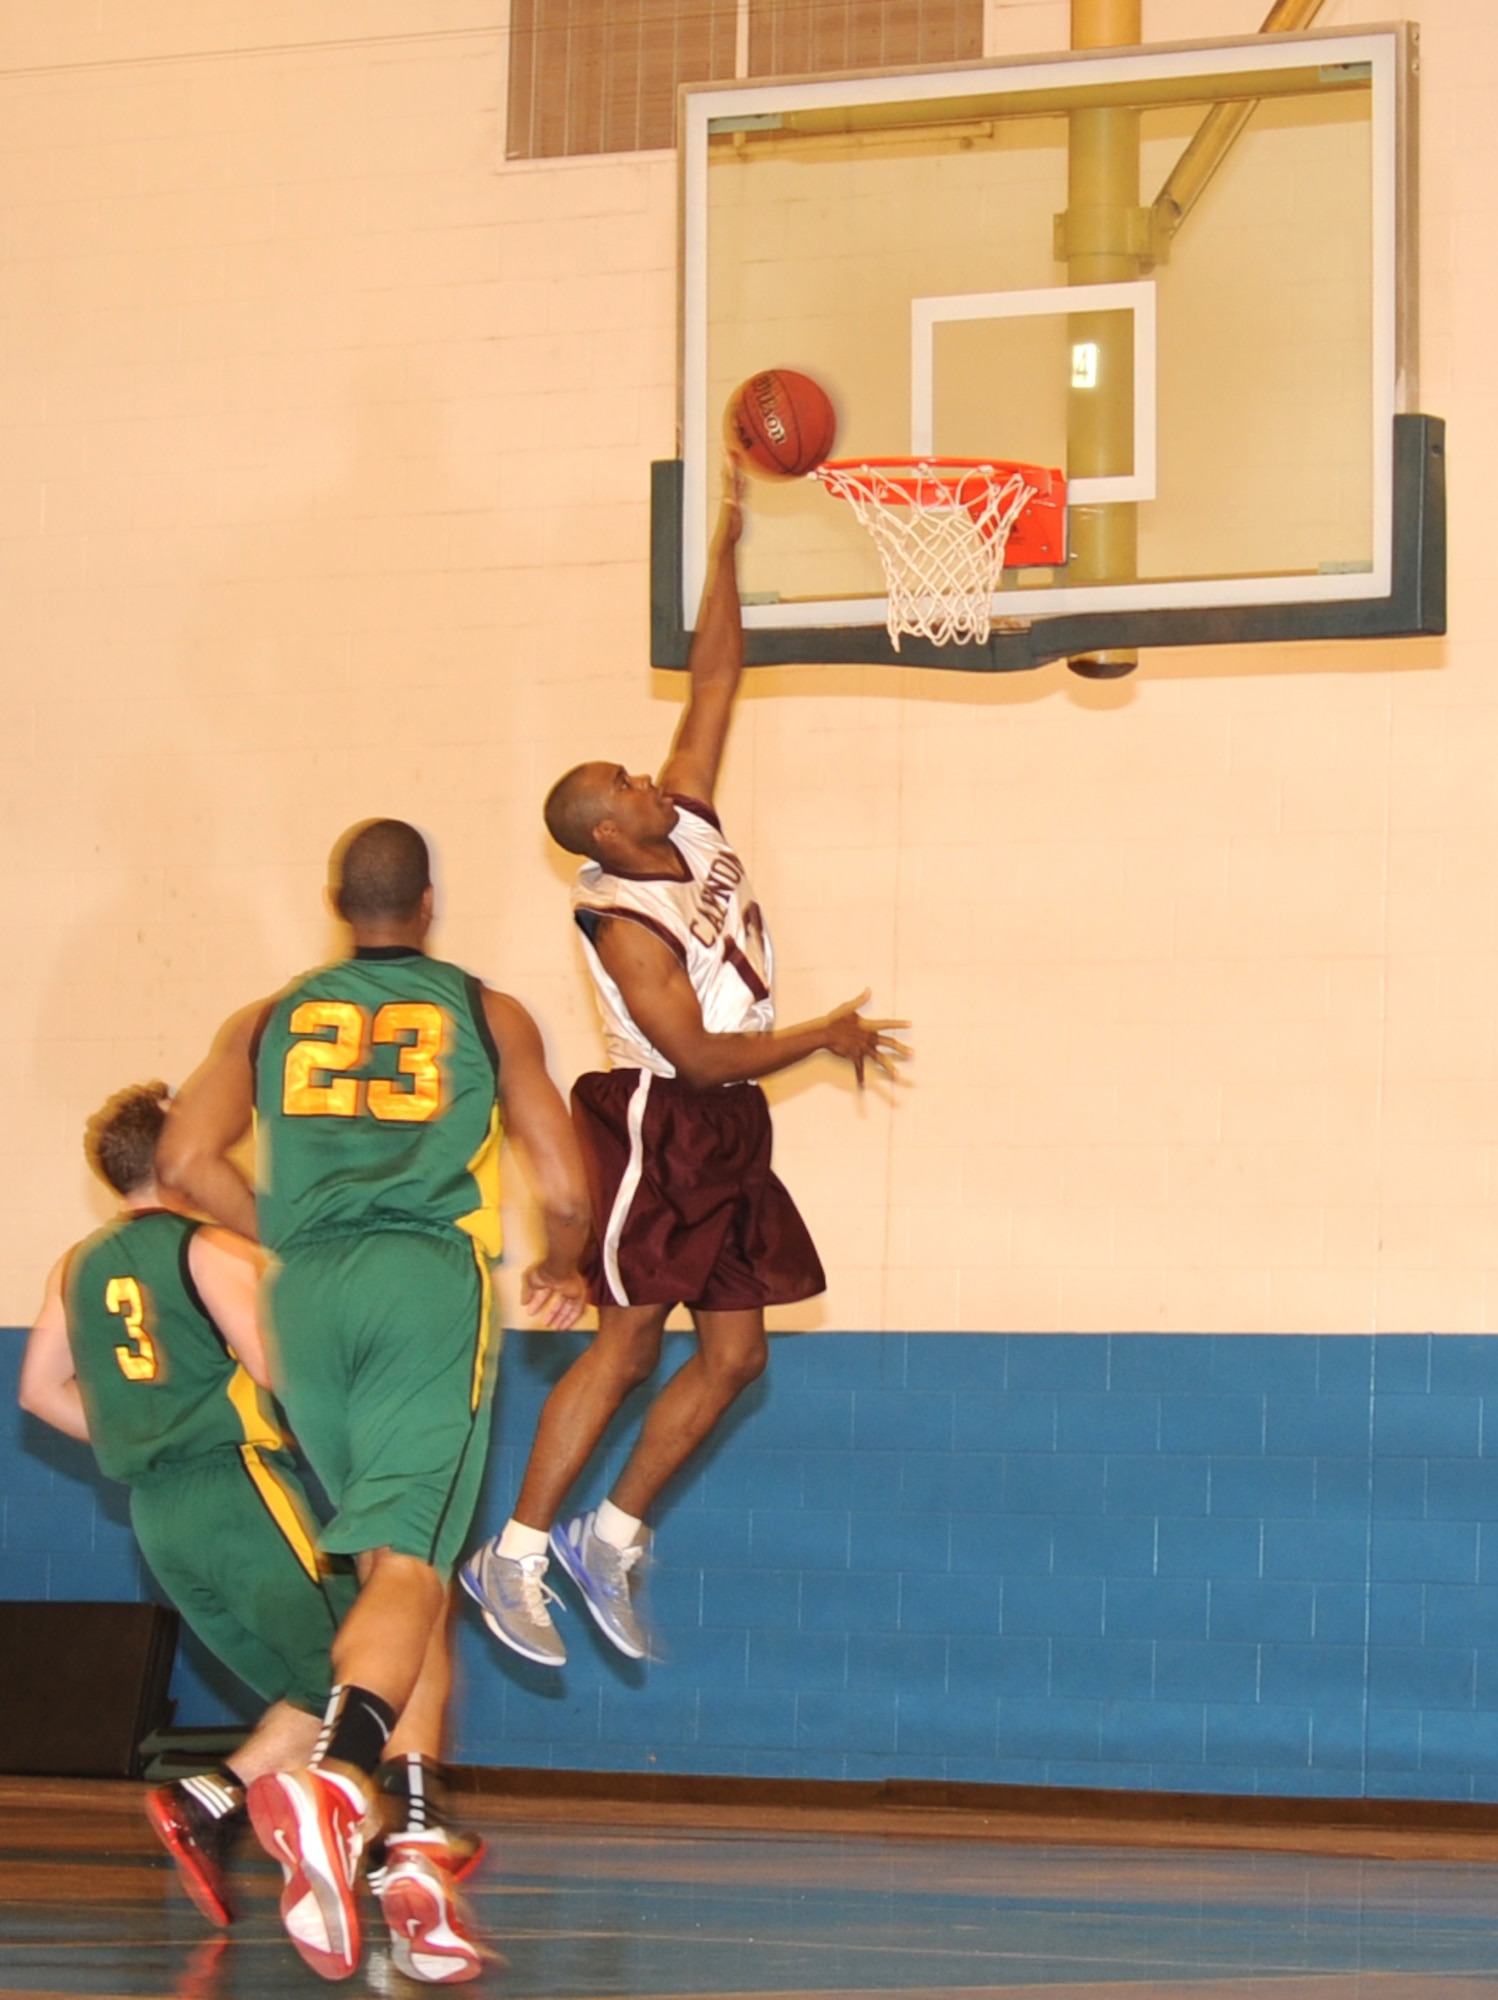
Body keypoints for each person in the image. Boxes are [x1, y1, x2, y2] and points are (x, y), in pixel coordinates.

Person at [461, 467, 909, 1670]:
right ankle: (509, 1551)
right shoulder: (619, 917)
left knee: (737, 1353)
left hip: (726, 1124)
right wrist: (818, 1030)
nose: (651, 780)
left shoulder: (689, 821)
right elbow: (698, 1049)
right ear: (604, 833)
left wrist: (726, 541)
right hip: (658, 1117)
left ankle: (606, 1534)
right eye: (629, 787)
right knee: (623, 1340)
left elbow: (716, 677)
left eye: (642, 774)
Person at [157, 819, 591, 1985]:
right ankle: (339, 1782)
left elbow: (184, 1164)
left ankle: (411, 1844)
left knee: (397, 1566)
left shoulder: (263, 1019)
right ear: (430, 902)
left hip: (305, 1297)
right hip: (420, 1284)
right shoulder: (483, 1010)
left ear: (334, 900)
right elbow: (561, 1166)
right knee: (409, 1561)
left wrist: (291, 1236)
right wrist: (569, 1258)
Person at [19, 1081, 355, 1930]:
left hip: (157, 1513)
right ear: (178, 1156)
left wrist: (142, 1433)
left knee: (314, 1688)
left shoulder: (79, 1262)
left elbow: (35, 1392)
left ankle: (344, 1855)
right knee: (366, 1667)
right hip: (237, 1488)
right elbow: (280, 1372)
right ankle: (217, 1803)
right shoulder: (205, 1248)